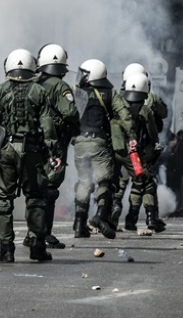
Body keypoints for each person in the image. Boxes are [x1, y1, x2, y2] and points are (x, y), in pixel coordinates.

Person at [0, 49, 57, 263]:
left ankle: (6, 250)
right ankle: (37, 246)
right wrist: (53, 152)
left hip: (7, 149)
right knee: (35, 198)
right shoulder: (39, 91)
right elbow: (48, 125)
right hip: (32, 152)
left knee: (4, 199)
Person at [110, 63, 169, 231]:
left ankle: (114, 209)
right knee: (144, 182)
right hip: (140, 152)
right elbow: (157, 125)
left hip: (119, 149)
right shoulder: (148, 103)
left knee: (119, 182)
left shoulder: (117, 100)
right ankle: (139, 218)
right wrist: (155, 147)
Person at [31, 43, 78, 250]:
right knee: (49, 189)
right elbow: (70, 112)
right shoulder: (60, 87)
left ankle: (33, 233)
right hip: (53, 142)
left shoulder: (31, 83)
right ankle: (43, 234)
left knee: (35, 188)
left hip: (31, 142)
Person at [71, 59, 117, 239]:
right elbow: (120, 115)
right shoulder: (108, 94)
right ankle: (101, 216)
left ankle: (79, 224)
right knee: (104, 182)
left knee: (84, 182)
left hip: (80, 143)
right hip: (99, 142)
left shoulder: (77, 93)